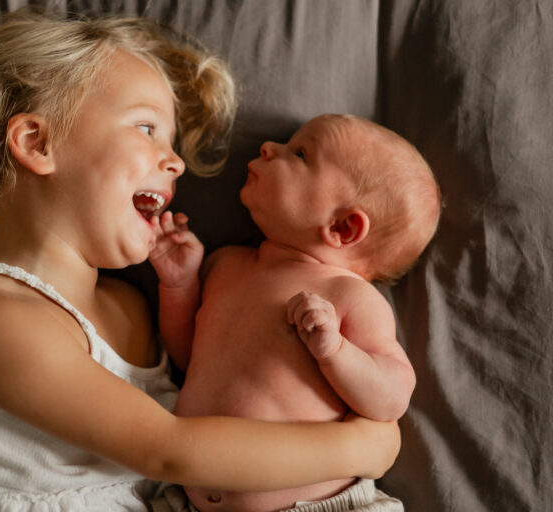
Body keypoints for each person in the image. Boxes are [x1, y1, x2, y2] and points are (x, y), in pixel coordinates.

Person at [0, 7, 400, 511]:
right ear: (38, 142)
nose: (175, 163)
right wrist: (360, 449)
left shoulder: (131, 308)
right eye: (147, 128)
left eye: (172, 143)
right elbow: (170, 450)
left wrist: (181, 292)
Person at [150, 113, 441, 512]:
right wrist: (178, 284)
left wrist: (335, 351)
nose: (269, 148)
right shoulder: (225, 265)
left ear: (342, 227)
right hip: (188, 500)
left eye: (300, 153)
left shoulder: (349, 296)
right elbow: (187, 357)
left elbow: (390, 398)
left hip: (315, 504)